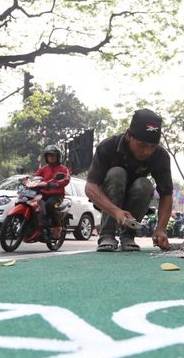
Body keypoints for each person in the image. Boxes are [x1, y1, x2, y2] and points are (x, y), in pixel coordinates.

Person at [85, 108, 173, 252]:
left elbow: (167, 194)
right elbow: (90, 188)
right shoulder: (108, 146)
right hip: (108, 199)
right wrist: (115, 211)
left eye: (152, 146)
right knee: (116, 173)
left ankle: (128, 236)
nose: (147, 151)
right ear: (128, 136)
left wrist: (161, 229)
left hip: (136, 198)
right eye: (142, 145)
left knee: (145, 184)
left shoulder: (160, 156)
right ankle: (107, 234)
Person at [32, 144, 70, 237]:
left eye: (53, 155)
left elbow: (66, 179)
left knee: (49, 205)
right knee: (32, 203)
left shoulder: (63, 169)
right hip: (43, 193)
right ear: (46, 157)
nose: (51, 158)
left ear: (58, 157)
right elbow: (35, 176)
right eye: (49, 156)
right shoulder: (44, 169)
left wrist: (57, 184)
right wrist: (28, 179)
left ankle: (57, 227)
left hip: (56, 195)